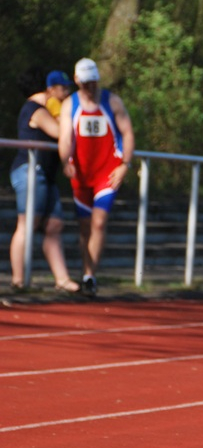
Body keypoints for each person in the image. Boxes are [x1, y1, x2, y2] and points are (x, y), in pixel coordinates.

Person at [58, 57, 135, 297]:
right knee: (84, 227)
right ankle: (86, 271)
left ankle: (90, 276)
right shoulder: (69, 105)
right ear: (77, 81)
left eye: (93, 82)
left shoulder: (112, 101)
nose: (90, 87)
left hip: (107, 173)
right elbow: (65, 137)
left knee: (99, 222)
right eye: (85, 83)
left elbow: (127, 132)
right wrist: (65, 161)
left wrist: (125, 164)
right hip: (82, 175)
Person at [9, 70, 80, 294]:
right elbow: (59, 132)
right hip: (30, 171)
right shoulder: (35, 109)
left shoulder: (46, 108)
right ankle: (18, 280)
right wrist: (61, 113)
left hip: (46, 175)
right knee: (27, 224)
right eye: (63, 89)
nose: (66, 93)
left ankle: (62, 279)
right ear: (49, 89)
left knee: (54, 225)